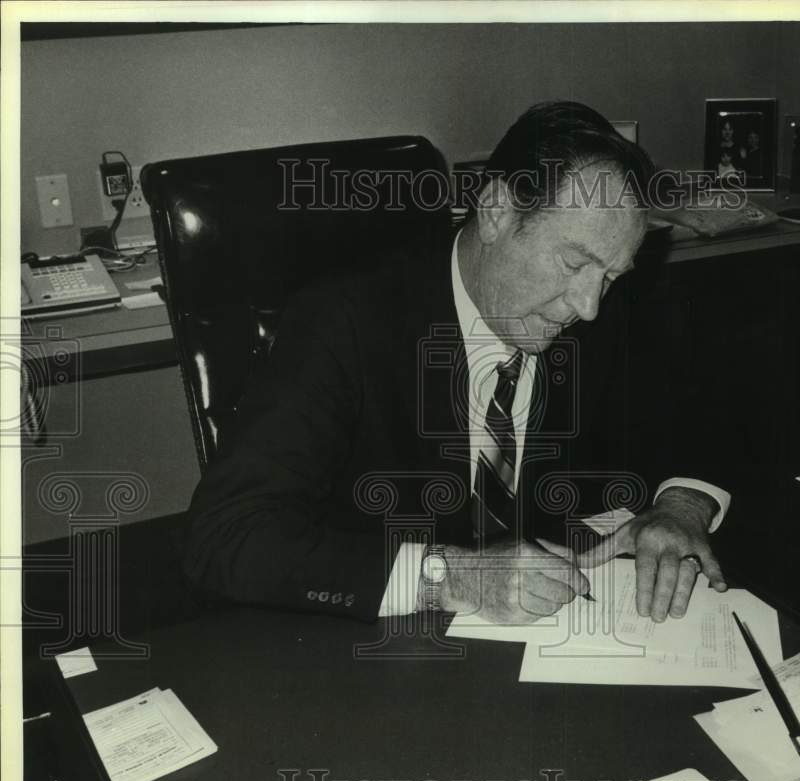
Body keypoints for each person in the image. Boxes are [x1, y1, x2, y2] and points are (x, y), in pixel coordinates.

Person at [183, 101, 731, 628]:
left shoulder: (597, 307)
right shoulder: (342, 321)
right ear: (496, 211)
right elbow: (224, 536)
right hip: (372, 645)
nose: (588, 306)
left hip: (543, 636)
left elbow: (703, 413)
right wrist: (452, 578)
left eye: (610, 276)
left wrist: (681, 507)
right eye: (572, 263)